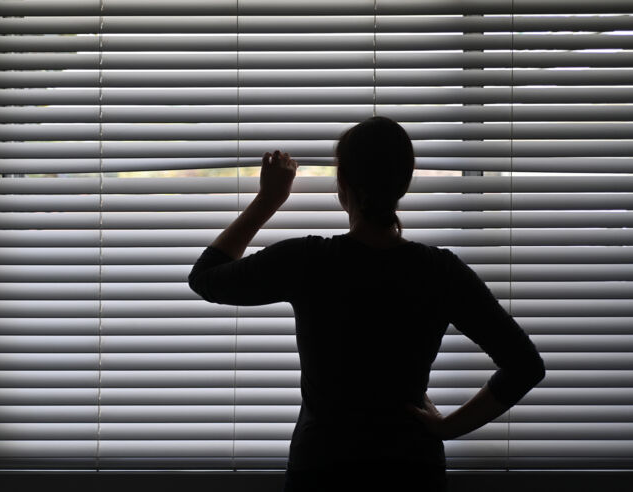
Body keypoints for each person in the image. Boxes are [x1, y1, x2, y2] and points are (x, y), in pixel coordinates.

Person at [188, 116, 546, 491]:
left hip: (323, 468)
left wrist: (268, 199)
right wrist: (449, 427)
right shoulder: (439, 270)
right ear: (403, 184)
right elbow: (524, 365)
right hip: (410, 469)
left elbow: (205, 277)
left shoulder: (309, 261)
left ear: (343, 183)